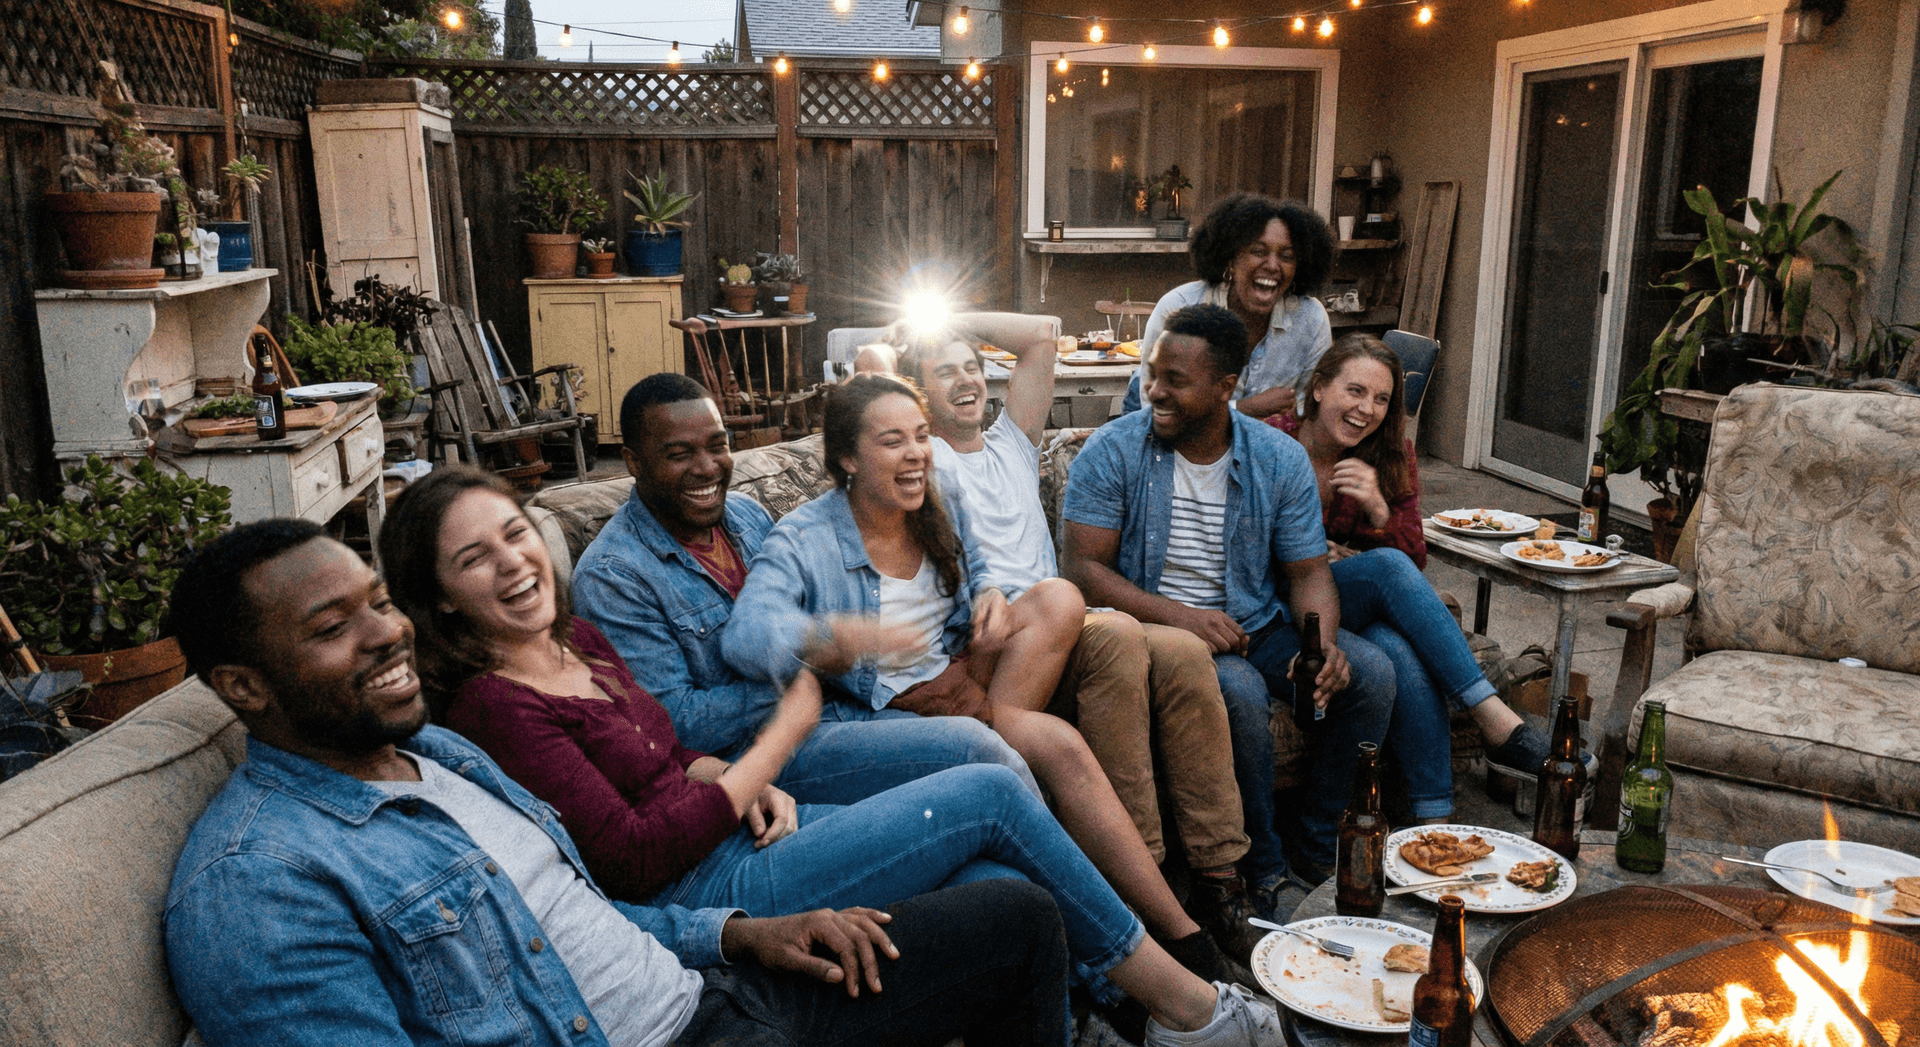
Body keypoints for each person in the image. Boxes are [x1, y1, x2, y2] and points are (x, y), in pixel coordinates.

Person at [379, 467, 1283, 1047]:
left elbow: (661, 751)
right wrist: (770, 749)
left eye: (514, 533)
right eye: (474, 558)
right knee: (990, 794)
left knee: (996, 878)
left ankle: (1114, 1006)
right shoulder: (493, 705)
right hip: (706, 888)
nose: (513, 562)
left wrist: (722, 777)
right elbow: (630, 857)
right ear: (440, 598)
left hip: (740, 829)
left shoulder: (573, 639)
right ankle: (1193, 1009)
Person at [162, 519, 1075, 1047]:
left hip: (717, 988)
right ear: (244, 687)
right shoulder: (258, 884)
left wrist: (742, 933)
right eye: (333, 627)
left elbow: (577, 917)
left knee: (1017, 917)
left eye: (377, 602)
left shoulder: (442, 756)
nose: (384, 633)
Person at [722, 374, 1266, 987]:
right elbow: (746, 635)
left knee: (1058, 602)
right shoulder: (805, 537)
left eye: (921, 436)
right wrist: (836, 636)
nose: (916, 454)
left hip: (963, 670)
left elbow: (977, 564)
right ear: (847, 458)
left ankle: (1182, 934)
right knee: (1039, 746)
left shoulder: (937, 492)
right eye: (892, 441)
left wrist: (986, 595)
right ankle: (1133, 958)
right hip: (889, 711)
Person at [895, 314, 1262, 961]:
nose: (966, 380)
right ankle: (1140, 880)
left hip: (1063, 624)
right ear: (921, 392)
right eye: (945, 371)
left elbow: (1044, 335)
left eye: (973, 366)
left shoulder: (1012, 442)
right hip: (1003, 638)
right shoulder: (923, 461)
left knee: (1181, 650)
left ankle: (1218, 873)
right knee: (1117, 636)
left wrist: (951, 318)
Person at [572, 372, 1037, 810]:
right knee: (979, 750)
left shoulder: (744, 514)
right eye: (680, 454)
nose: (707, 467)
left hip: (838, 714)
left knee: (1021, 754)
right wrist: (812, 667)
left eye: (718, 446)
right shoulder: (612, 576)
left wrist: (873, 657)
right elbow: (672, 723)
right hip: (756, 755)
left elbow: (803, 612)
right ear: (634, 462)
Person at [1061, 303, 1396, 910]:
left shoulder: (1277, 458)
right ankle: (1261, 869)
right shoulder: (1113, 450)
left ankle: (1317, 851)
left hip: (1254, 622)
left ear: (1225, 387)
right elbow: (1083, 572)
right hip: (1156, 633)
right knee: (1237, 691)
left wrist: (1321, 645)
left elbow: (1308, 571)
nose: (1154, 391)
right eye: (1153, 374)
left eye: (1175, 381)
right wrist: (1182, 617)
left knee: (1370, 674)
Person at [1273, 334, 1549, 820]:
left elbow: (1414, 557)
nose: (1367, 410)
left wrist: (1379, 511)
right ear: (1318, 388)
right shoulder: (1272, 441)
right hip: (1283, 598)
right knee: (1388, 596)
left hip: (1352, 598)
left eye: (1382, 399)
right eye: (1355, 391)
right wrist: (1313, 554)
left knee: (1393, 627)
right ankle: (1491, 721)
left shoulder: (1389, 454)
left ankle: (1433, 820)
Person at [1120, 193, 1335, 419]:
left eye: (1287, 256)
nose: (1273, 265)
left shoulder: (1311, 319)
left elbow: (1310, 411)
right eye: (1258, 251)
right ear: (1230, 258)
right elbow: (1159, 411)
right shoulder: (1179, 307)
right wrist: (1245, 408)